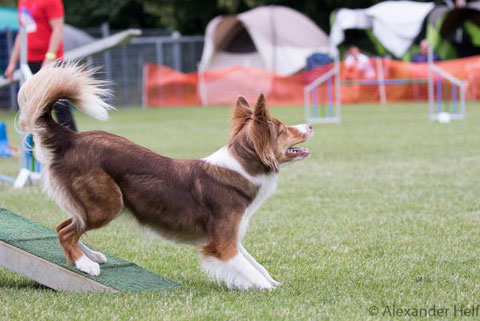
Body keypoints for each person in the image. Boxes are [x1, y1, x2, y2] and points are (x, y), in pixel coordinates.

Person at [4, 0, 77, 131]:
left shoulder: (52, 1)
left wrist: (49, 58)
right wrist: (12, 63)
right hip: (29, 62)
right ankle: (35, 144)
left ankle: (73, 146)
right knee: (33, 107)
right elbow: (22, 33)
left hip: (51, 61)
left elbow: (58, 29)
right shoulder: (23, 2)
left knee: (60, 105)